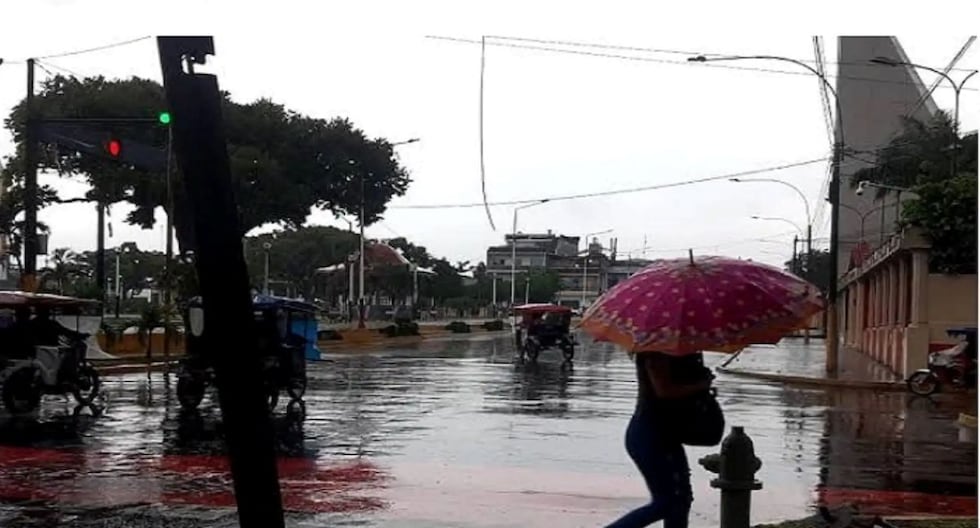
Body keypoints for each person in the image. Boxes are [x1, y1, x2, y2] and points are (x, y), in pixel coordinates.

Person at [605, 352, 713, 528]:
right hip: (652, 434)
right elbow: (664, 390)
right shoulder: (657, 352)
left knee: (680, 500)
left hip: (665, 433)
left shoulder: (678, 350)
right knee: (667, 502)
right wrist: (701, 385)